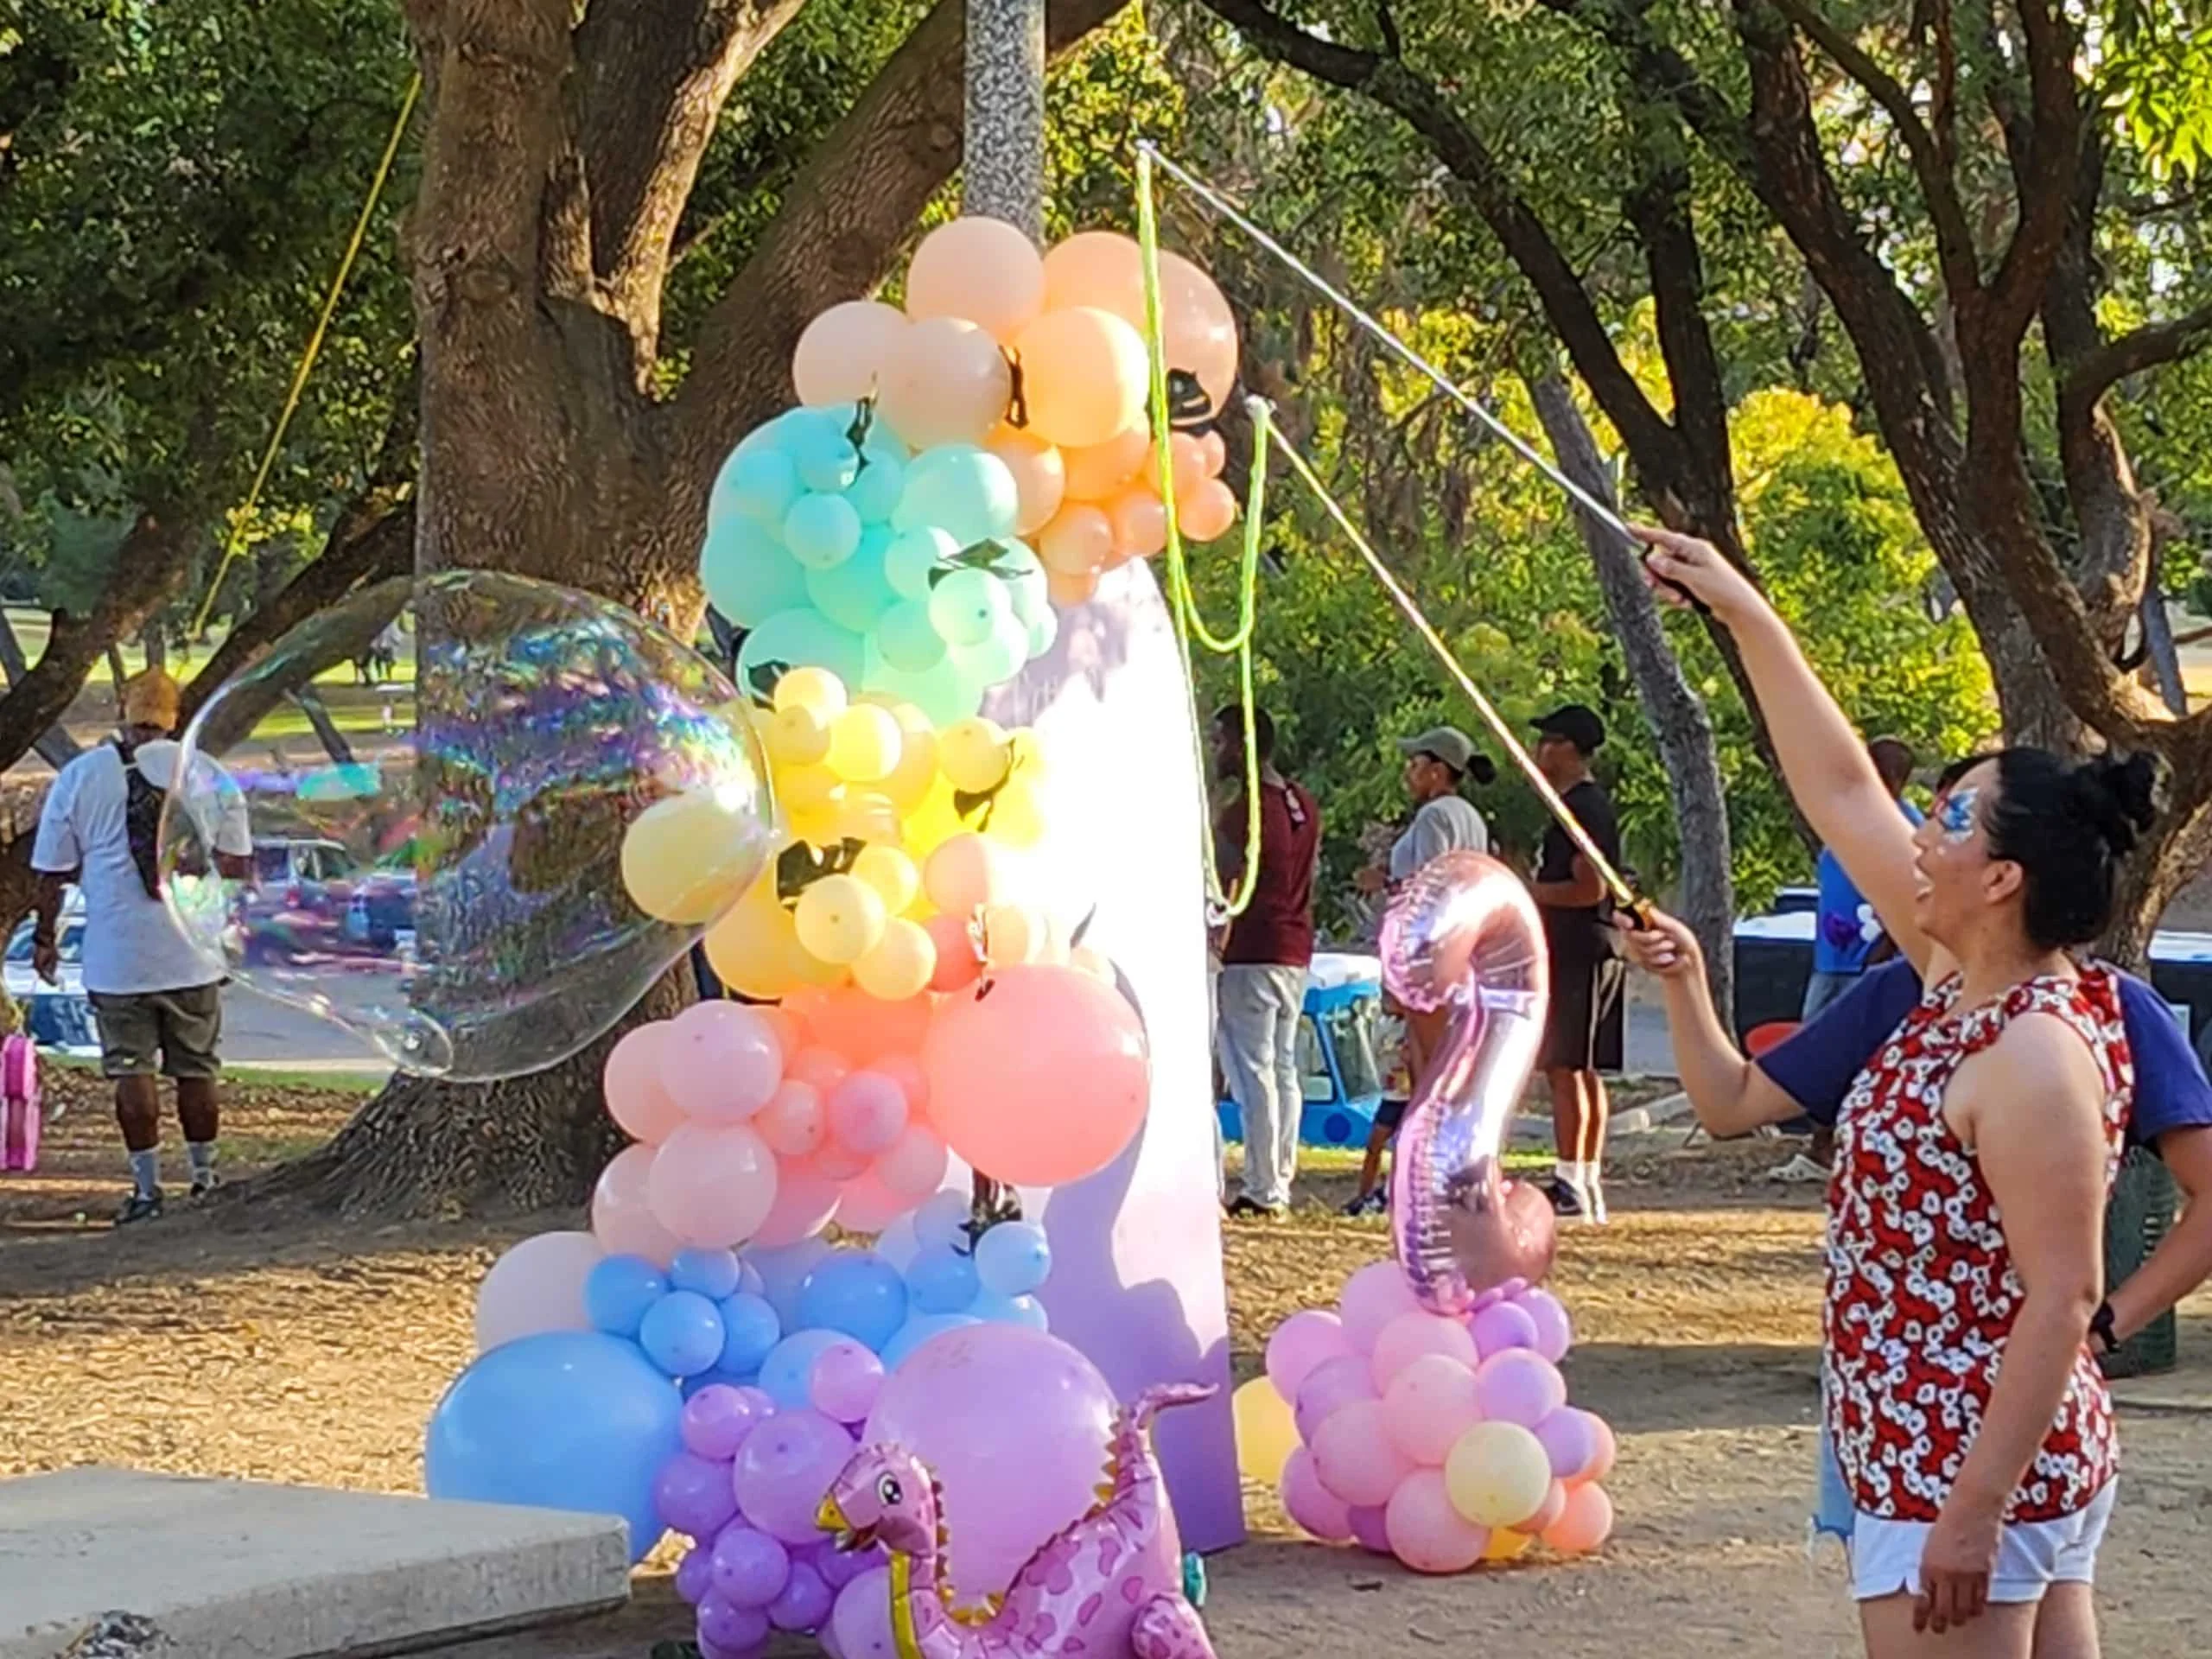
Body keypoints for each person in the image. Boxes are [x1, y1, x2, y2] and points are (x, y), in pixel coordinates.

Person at [1621, 524, 2160, 1656]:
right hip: (1938, 1454)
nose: (1922, 830)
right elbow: (1837, 787)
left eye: (1954, 818)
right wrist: (1744, 612)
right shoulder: (1959, 982)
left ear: (2004, 879)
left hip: (1966, 1469)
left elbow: (2065, 1296)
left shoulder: (2031, 1054)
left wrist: (1968, 1514)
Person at [31, 669, 253, 1224]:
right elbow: (237, 868)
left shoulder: (81, 776)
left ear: (121, 711)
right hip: (192, 953)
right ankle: (204, 1179)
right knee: (197, 1070)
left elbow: (51, 873)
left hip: (116, 959)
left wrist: (44, 940)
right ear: (175, 716)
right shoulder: (204, 772)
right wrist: (227, 929)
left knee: (132, 1072)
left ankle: (147, 1191)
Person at [1343, 726, 1495, 1217]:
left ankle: (1423, 1180)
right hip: (1461, 950)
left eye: (1416, 765)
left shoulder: (1434, 817)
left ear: (1437, 770)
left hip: (1431, 951)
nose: (1409, 773)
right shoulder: (1471, 818)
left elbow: (1431, 882)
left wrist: (1382, 881)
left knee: (1427, 1068)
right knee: (1445, 1064)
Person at [1769, 736, 1923, 1185]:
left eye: (1874, 769)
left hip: (1868, 962)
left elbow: (1913, 900)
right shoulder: (1849, 821)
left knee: (1854, 1054)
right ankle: (1822, 1146)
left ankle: (1837, 1147)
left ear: (1893, 779)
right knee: (1816, 1047)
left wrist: (1884, 956)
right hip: (1831, 959)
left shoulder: (1907, 830)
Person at [1211, 705, 1321, 1219]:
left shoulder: (1247, 811)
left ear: (1241, 744)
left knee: (1253, 1071)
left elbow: (1222, 871)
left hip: (1255, 950)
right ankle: (1279, 1175)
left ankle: (1262, 1187)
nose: (1217, 752)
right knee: (1283, 1068)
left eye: (1222, 742)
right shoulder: (1303, 802)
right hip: (1295, 947)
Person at [1529, 702, 1624, 1223]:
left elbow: (1589, 886)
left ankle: (1570, 1180)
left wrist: (1530, 890)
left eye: (1549, 741)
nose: (1541, 751)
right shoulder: (1583, 805)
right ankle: (1585, 1180)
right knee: (1584, 1069)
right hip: (1596, 945)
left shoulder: (1582, 809)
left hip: (1578, 945)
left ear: (1568, 749)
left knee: (1566, 1066)